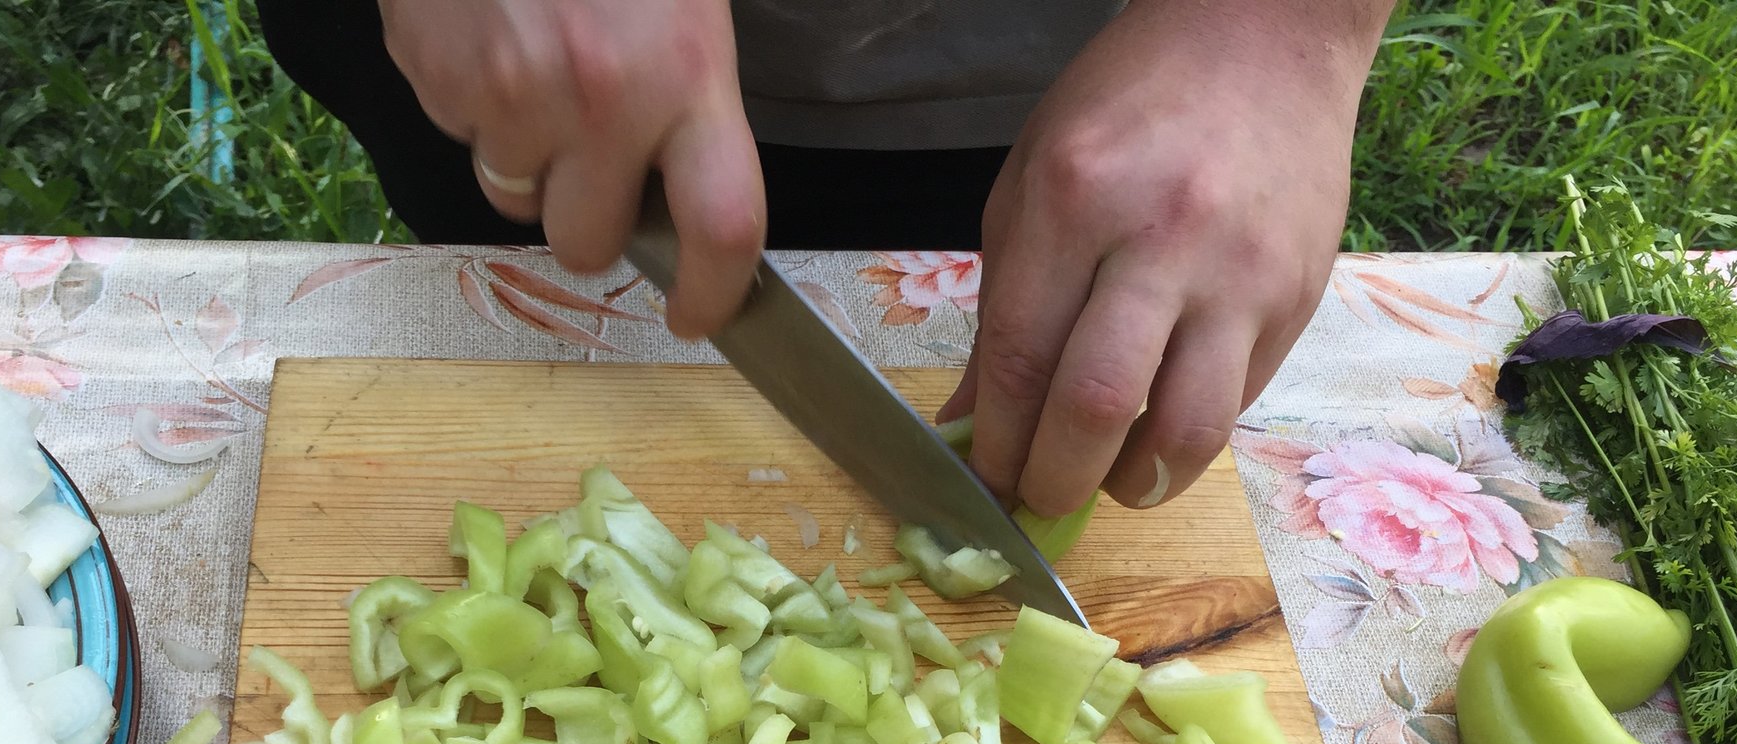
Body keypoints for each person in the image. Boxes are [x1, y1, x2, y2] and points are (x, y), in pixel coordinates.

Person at [256, 0, 1391, 518]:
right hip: (520, 38)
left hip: (1081, 56)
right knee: (517, 265)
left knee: (1060, 344)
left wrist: (1288, 26)